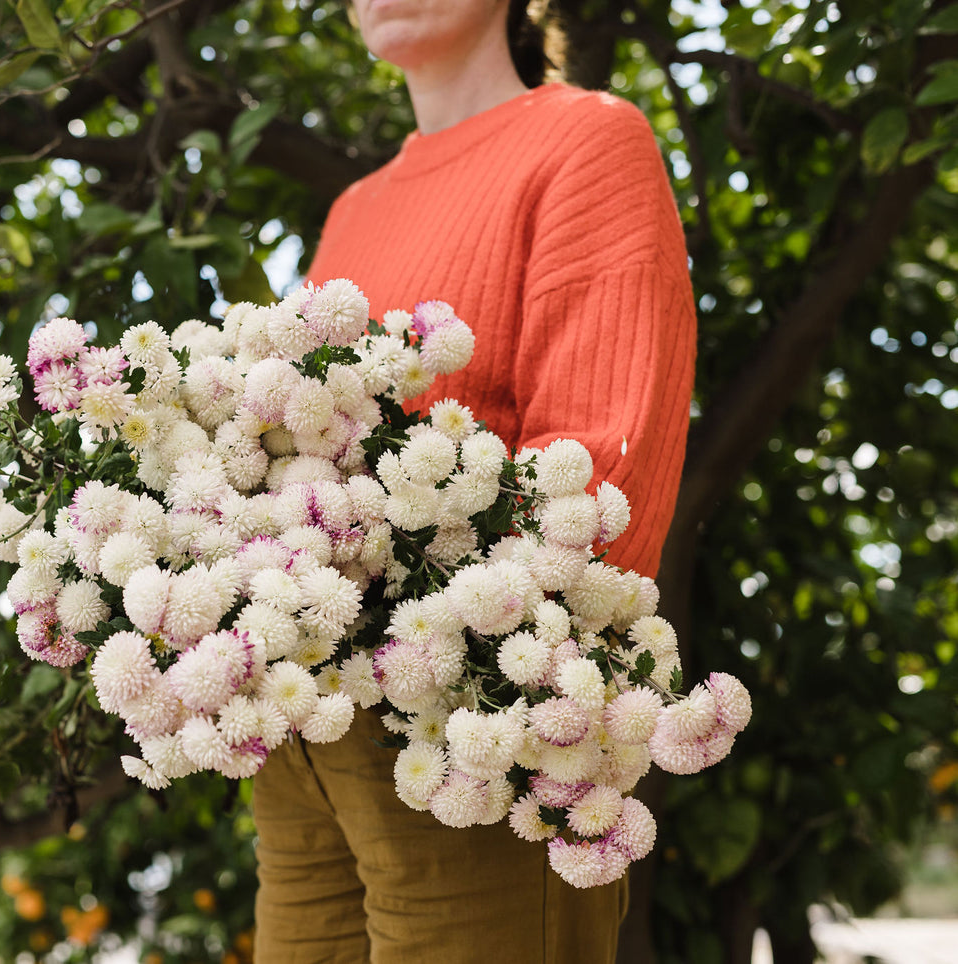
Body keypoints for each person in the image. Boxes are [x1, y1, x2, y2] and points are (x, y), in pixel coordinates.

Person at [249, 0, 697, 961]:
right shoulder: (353, 210)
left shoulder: (585, 139)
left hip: (476, 729)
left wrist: (495, 688)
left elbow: (601, 478)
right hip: (308, 730)